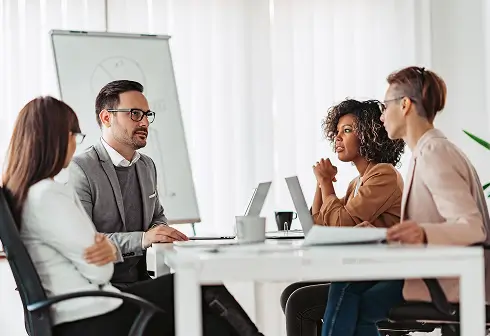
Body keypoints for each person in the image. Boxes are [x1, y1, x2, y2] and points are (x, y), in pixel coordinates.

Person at [2, 96, 265, 336]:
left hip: (78, 313)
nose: (74, 144)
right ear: (56, 138)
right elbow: (100, 270)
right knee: (198, 286)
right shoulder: (50, 195)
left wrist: (104, 248)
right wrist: (104, 250)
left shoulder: (25, 194)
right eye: (74, 135)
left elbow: (98, 253)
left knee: (206, 322)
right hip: (92, 315)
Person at [321, 66, 490, 336]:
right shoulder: (427, 150)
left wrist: (420, 233)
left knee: (351, 297)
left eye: (386, 107)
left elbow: (473, 227)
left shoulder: (434, 153)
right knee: (346, 289)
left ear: (406, 105)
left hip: (443, 278)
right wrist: (385, 236)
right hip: (432, 268)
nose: (382, 115)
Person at [280, 99, 405, 336]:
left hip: (382, 273)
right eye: (336, 132)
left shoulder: (384, 174)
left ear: (369, 135)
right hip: (363, 268)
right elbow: (319, 226)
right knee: (292, 294)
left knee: (299, 302)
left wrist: (327, 182)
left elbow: (341, 223)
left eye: (346, 130)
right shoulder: (355, 183)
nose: (337, 138)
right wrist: (321, 184)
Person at [68, 80, 188, 288]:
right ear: (107, 117)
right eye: (134, 114)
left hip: (144, 280)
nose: (144, 123)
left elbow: (157, 216)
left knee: (204, 287)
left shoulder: (146, 165)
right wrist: (142, 239)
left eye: (146, 115)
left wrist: (160, 231)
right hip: (104, 286)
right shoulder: (81, 169)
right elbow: (85, 242)